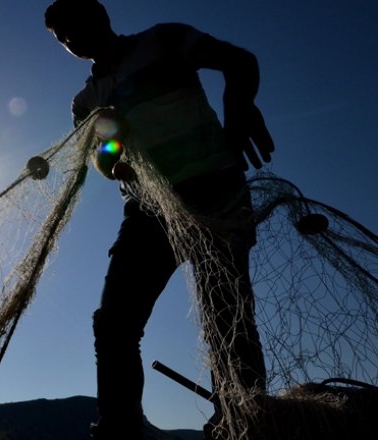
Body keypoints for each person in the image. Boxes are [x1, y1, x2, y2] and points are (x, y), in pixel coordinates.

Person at [43, 1, 274, 438]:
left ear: (100, 14)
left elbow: (239, 62)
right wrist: (113, 161)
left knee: (227, 315)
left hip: (216, 194)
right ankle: (119, 428)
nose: (71, 39)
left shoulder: (164, 41)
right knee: (114, 324)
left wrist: (239, 110)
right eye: (62, 38)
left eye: (74, 26)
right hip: (149, 211)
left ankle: (243, 422)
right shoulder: (87, 100)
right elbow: (105, 150)